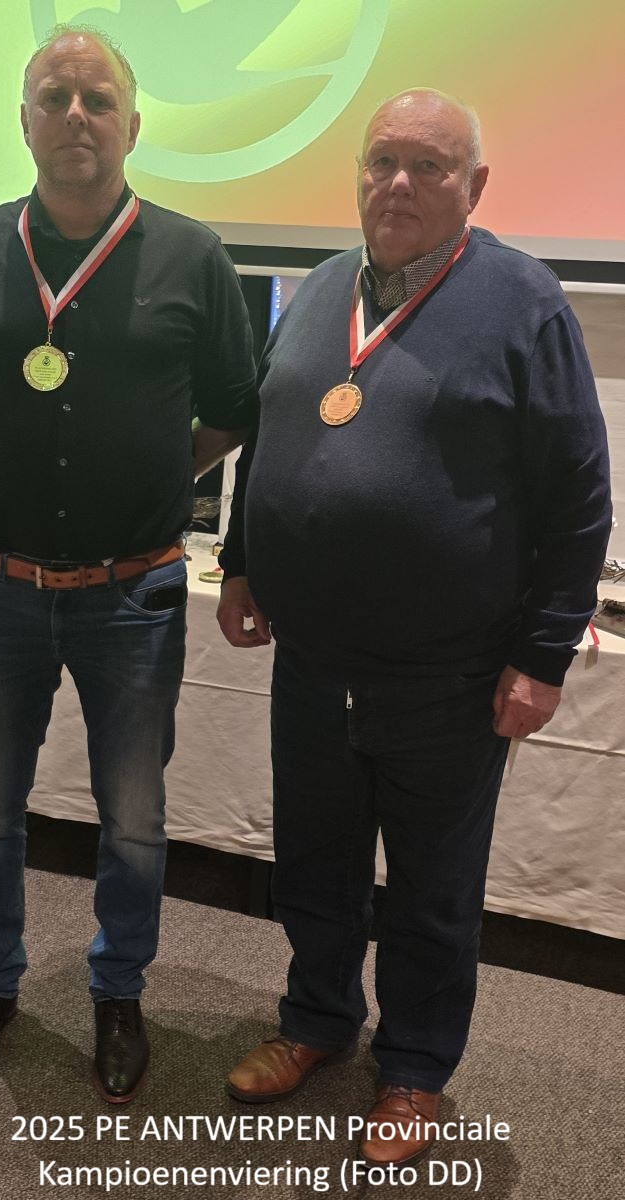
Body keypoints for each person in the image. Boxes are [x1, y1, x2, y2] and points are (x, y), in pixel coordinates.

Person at [217, 89, 611, 1168]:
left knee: (432, 887)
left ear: (472, 187)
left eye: (427, 166)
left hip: (447, 674)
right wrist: (244, 560)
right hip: (312, 662)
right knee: (314, 864)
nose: (397, 183)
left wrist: (541, 655)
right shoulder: (313, 291)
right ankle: (315, 1020)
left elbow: (578, 495)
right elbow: (269, 437)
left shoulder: (522, 301)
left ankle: (415, 1070)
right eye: (380, 160)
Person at [0, 25, 256, 1102]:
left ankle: (118, 992)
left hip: (131, 594)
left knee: (133, 823)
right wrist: (0, 469)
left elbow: (232, 412)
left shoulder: (193, 255)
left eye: (97, 99)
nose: (77, 115)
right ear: (23, 122)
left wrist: (152, 475)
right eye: (55, 97)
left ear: (133, 124)